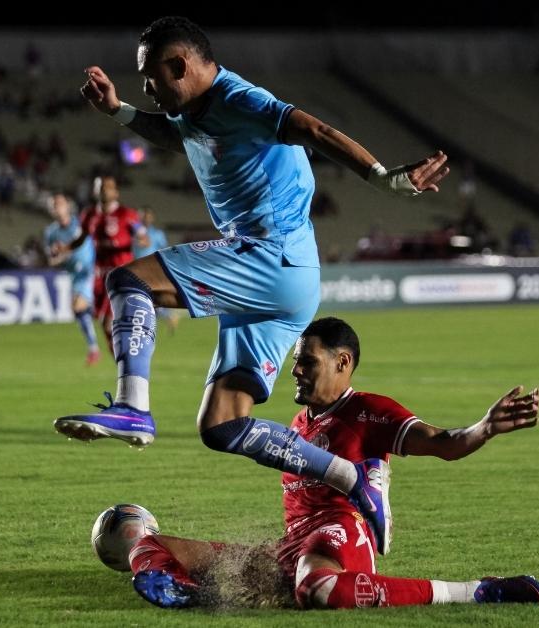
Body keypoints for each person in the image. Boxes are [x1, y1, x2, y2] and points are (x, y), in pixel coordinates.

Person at [54, 17, 450, 556]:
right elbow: (175, 134)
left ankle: (133, 406)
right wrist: (119, 111)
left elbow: (314, 130)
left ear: (180, 66)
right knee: (222, 425)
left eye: (150, 77)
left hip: (270, 254)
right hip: (288, 277)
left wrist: (384, 178)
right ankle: (351, 477)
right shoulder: (194, 112)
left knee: (128, 280)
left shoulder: (240, 99)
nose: (146, 87)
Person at [123, 317, 539, 610]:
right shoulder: (297, 424)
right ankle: (185, 592)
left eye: (307, 361)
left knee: (319, 590)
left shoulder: (368, 410)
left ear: (342, 363)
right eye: (295, 361)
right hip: (291, 546)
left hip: (340, 537)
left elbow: (444, 443)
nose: (295, 371)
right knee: (149, 545)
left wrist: (484, 428)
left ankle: (476, 591)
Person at [62, 175, 145, 354]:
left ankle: (130, 360)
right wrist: (66, 247)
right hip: (100, 276)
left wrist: (139, 239)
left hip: (121, 273)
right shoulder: (89, 215)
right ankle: (124, 363)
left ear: (116, 192)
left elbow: (142, 235)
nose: (104, 191)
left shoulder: (127, 214)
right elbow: (81, 238)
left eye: (108, 187)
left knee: (109, 323)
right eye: (100, 187)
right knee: (104, 324)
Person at [45, 192, 102, 366]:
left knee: (78, 306)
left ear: (68, 206)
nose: (58, 208)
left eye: (60, 203)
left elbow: (94, 239)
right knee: (78, 309)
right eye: (55, 205)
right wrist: (60, 255)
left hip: (91, 270)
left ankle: (95, 348)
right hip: (75, 275)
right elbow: (52, 260)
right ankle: (94, 347)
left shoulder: (81, 223)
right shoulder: (51, 233)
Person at [131, 208, 178, 334]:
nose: (145, 218)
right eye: (143, 216)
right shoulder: (134, 232)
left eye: (148, 216)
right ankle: (167, 316)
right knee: (147, 299)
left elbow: (164, 251)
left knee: (146, 298)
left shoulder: (157, 234)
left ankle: (150, 324)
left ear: (152, 218)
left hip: (152, 269)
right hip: (137, 270)